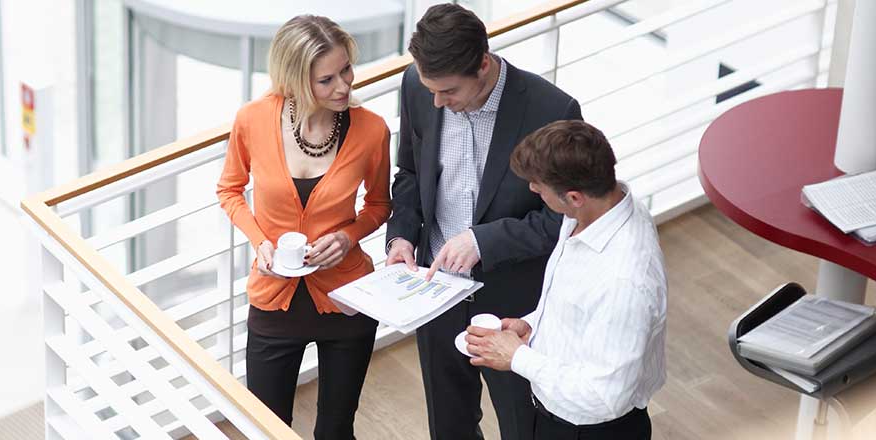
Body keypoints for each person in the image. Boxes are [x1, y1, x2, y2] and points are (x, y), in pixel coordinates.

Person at [384, 4, 582, 440]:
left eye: (449, 92)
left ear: (483, 65)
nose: (438, 102)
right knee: (448, 424)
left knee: (522, 424)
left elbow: (564, 220)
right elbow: (410, 174)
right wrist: (400, 236)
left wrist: (483, 241)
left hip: (515, 304)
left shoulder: (551, 110)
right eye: (431, 90)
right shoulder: (419, 86)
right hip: (434, 292)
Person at [216, 14, 392, 439]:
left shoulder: (371, 130)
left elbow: (380, 204)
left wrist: (348, 236)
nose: (344, 87)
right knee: (267, 429)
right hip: (273, 300)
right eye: (326, 80)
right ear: (295, 80)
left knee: (335, 431)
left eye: (346, 70)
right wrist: (261, 243)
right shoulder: (253, 119)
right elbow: (230, 190)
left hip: (348, 300)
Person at [466, 120, 667, 440]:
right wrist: (533, 326)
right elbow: (580, 305)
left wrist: (518, 357)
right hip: (554, 414)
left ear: (574, 197)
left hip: (589, 430)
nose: (533, 189)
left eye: (539, 186)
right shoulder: (597, 209)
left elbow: (604, 396)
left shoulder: (625, 280)